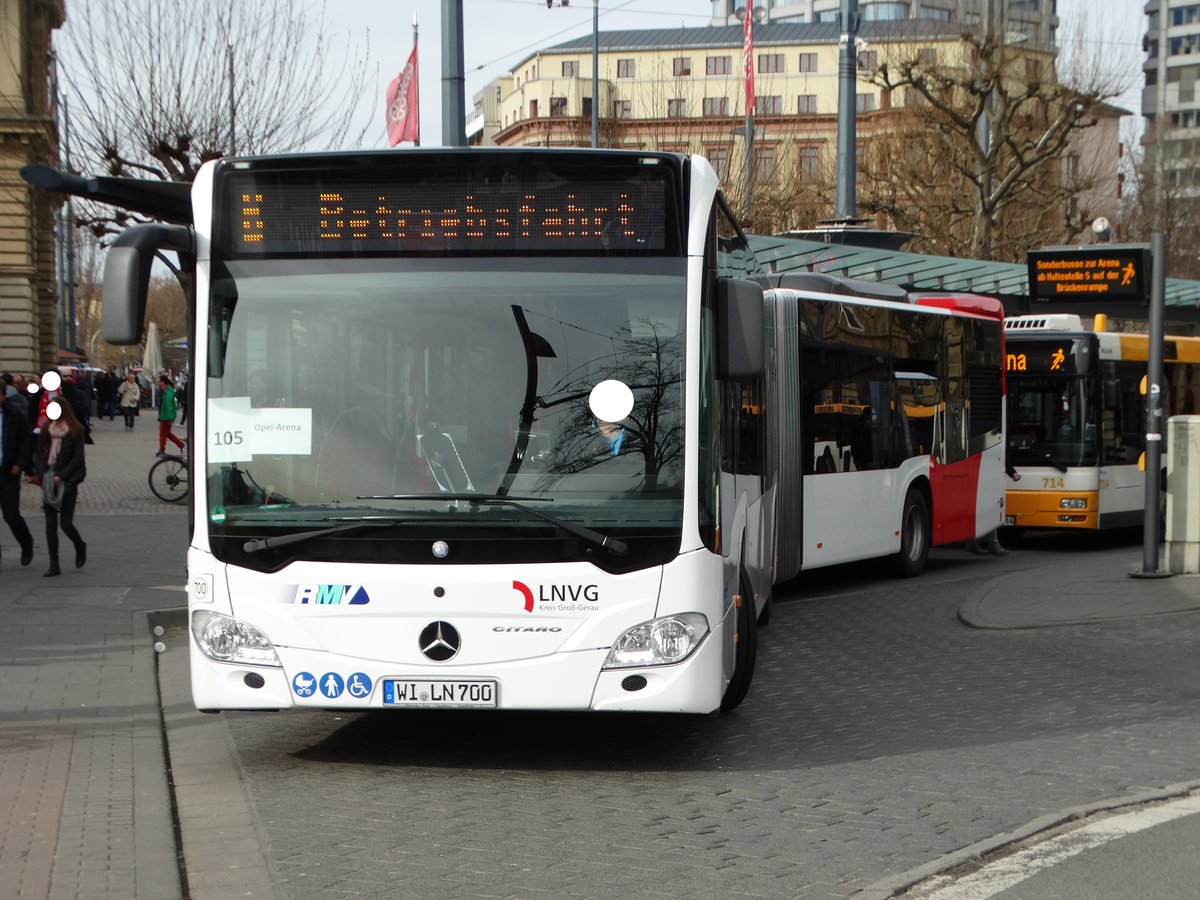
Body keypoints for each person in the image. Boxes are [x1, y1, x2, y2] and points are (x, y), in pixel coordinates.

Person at [35, 395, 87, 577]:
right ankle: (53, 563)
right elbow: (38, 454)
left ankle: (80, 545)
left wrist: (62, 476)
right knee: (50, 525)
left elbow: (78, 458)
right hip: (49, 479)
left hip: (68, 480)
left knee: (65, 524)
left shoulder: (76, 430)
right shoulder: (46, 429)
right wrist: (44, 475)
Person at [0, 374, 36, 571]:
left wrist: (20, 464)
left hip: (8, 472)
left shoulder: (14, 415)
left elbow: (27, 441)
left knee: (11, 515)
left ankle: (26, 543)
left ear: (3, 396)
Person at [966, 460, 1022, 556]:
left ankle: (973, 542)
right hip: (989, 475)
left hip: (979, 473)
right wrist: (1012, 472)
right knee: (992, 509)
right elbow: (1000, 456)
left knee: (981, 509)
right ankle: (992, 543)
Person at [156, 374, 186, 458]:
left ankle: (162, 450)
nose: (158, 382)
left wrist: (170, 418)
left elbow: (169, 406)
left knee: (163, 433)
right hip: (164, 416)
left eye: (159, 381)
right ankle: (181, 445)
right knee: (167, 433)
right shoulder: (166, 390)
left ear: (163, 382)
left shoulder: (168, 392)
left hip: (166, 416)